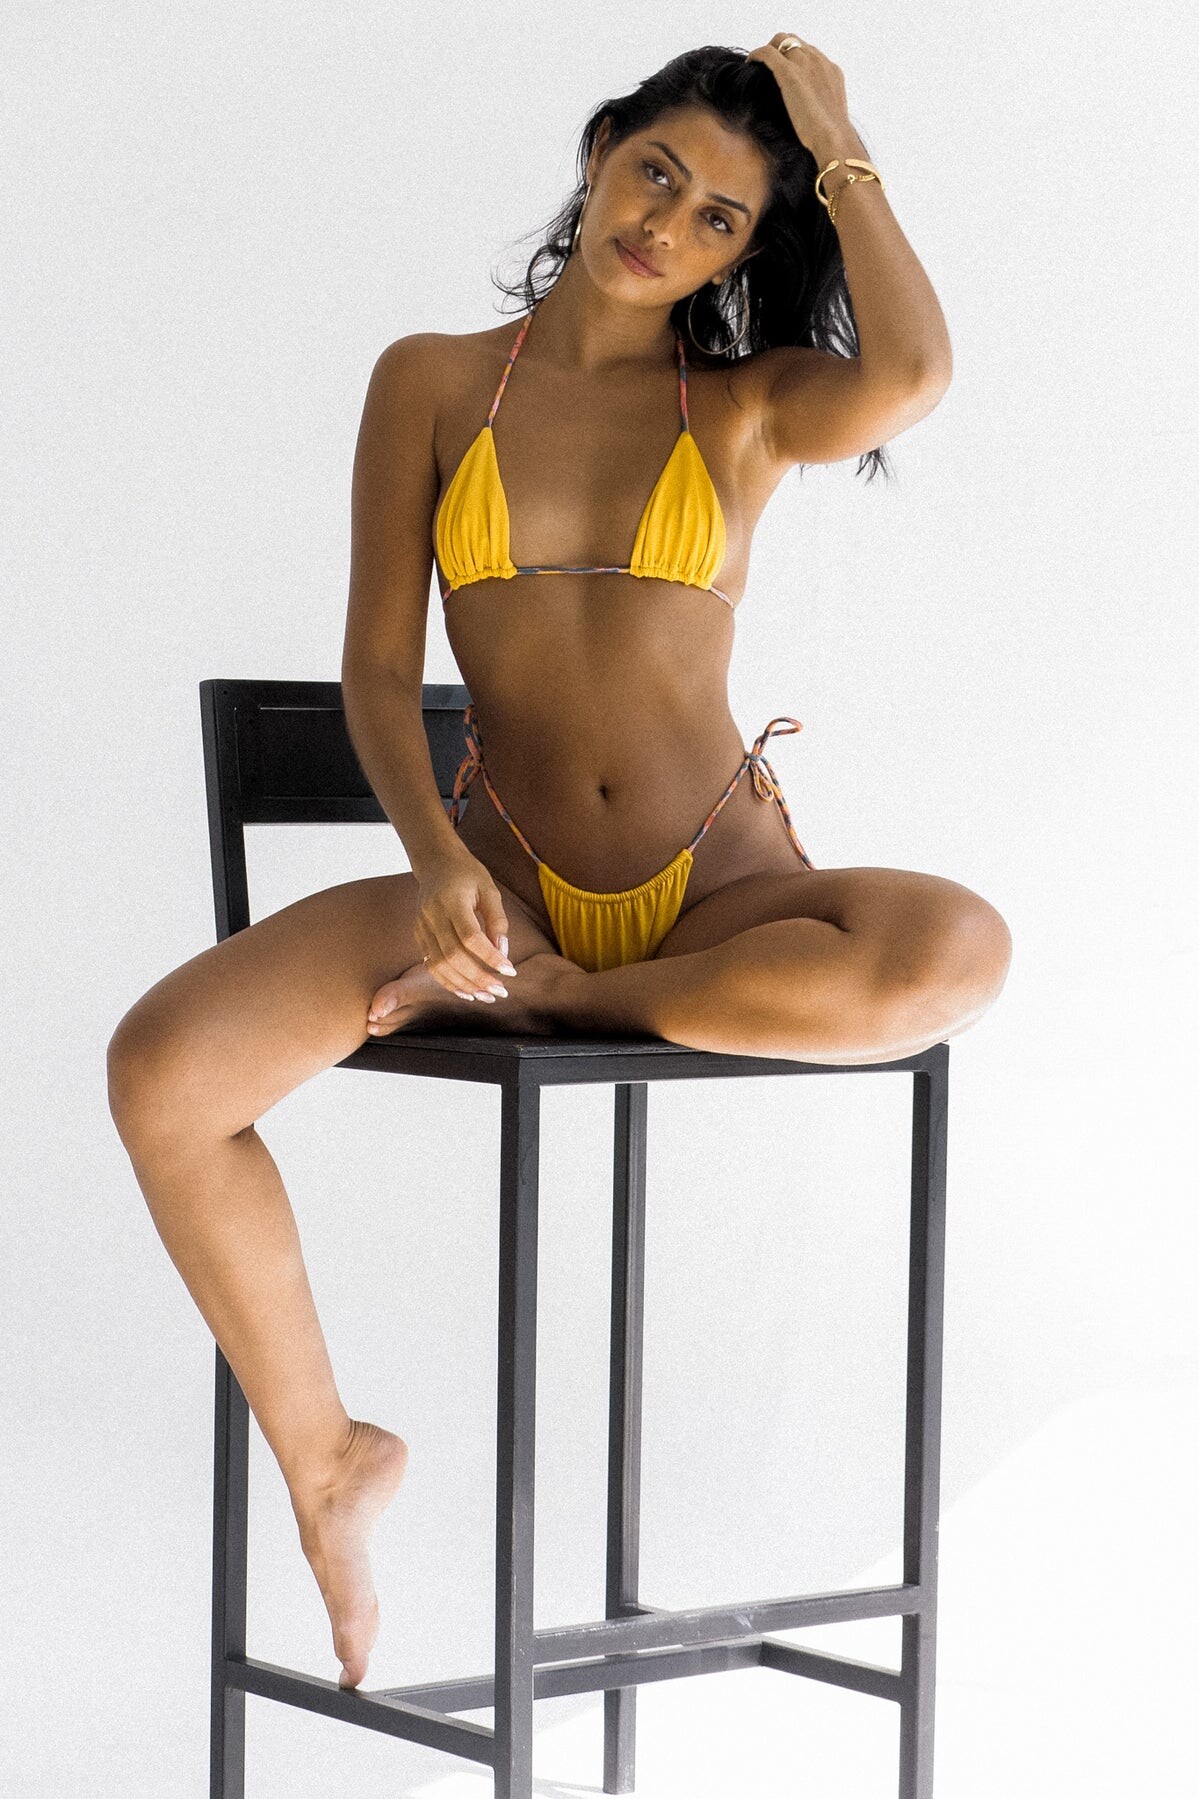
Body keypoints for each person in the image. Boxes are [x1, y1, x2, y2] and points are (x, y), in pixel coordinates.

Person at [107, 36, 1012, 1693]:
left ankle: (584, 1004)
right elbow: (379, 668)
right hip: (493, 893)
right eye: (656, 172)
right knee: (162, 1072)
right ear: (602, 152)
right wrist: (431, 861)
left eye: (723, 217)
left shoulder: (746, 405)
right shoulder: (433, 381)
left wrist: (837, 138)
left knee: (959, 947)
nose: (669, 224)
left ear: (747, 251)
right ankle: (327, 1458)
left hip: (717, 892)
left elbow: (915, 373)